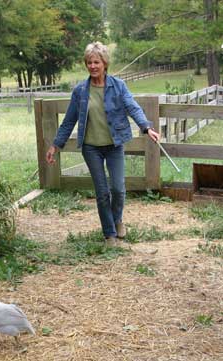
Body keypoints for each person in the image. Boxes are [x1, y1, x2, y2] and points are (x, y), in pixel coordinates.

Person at [45, 42, 160, 246]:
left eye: (96, 62)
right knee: (102, 192)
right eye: (89, 62)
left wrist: (146, 127)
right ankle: (109, 234)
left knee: (118, 188)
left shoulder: (118, 86)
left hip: (114, 145)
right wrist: (56, 145)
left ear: (104, 63)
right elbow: (69, 120)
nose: (92, 66)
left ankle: (117, 220)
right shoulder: (80, 90)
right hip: (91, 148)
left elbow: (133, 107)